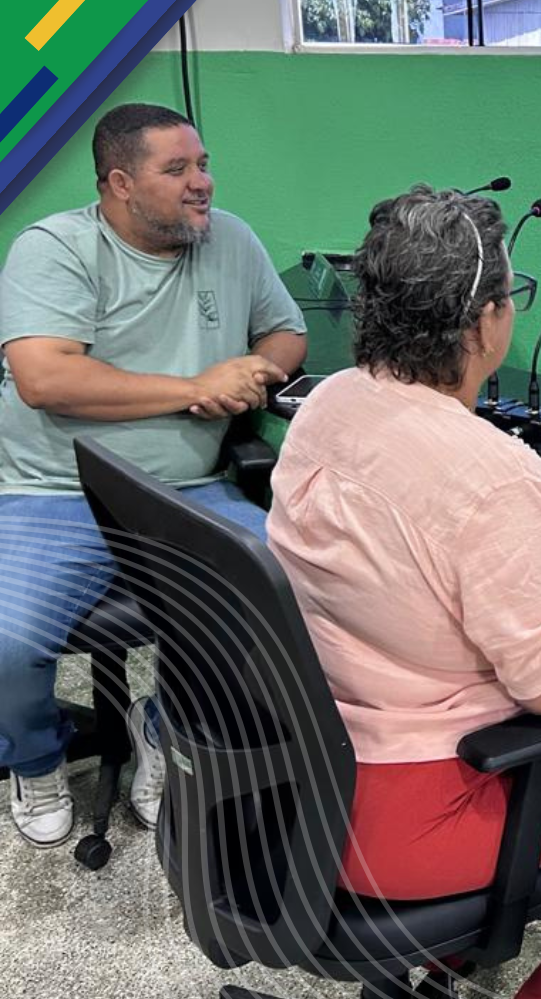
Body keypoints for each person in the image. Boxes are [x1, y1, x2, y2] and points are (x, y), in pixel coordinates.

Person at [268, 186, 541, 999]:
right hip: (405, 814)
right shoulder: (497, 478)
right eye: (511, 294)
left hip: (297, 777)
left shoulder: (326, 403)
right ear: (482, 323)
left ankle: (451, 957)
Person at [0, 103, 307, 849]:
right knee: (8, 643)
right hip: (55, 490)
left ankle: (163, 726)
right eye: (177, 169)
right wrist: (196, 387)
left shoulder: (230, 239)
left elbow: (286, 332)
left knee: (292, 585)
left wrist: (254, 370)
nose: (201, 182)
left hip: (188, 488)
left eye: (202, 164)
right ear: (120, 183)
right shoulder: (55, 248)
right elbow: (43, 378)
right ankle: (35, 762)